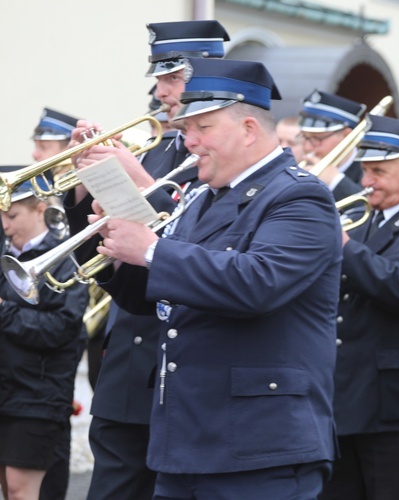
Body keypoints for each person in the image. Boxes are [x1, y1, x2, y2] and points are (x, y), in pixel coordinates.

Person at [90, 56, 340, 499]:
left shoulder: (300, 196)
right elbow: (155, 298)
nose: (188, 143)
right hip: (184, 442)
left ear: (247, 129)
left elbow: (256, 283)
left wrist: (150, 248)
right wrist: (118, 249)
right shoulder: (201, 198)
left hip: (260, 449)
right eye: (186, 130)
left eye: (201, 128)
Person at [64, 20, 230, 500]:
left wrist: (141, 185)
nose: (160, 91)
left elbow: (201, 246)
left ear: (209, 74)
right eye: (159, 79)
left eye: (172, 78)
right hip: (129, 371)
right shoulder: (154, 152)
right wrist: (83, 188)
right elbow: (102, 252)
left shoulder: (226, 162)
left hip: (183, 369)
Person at [320, 115, 399, 500]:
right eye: (365, 170)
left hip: (397, 403)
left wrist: (343, 246)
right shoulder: (359, 221)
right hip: (344, 394)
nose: (367, 180)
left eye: (379, 171)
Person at [0, 178, 88, 500]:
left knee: (23, 490)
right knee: (9, 490)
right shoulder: (3, 253)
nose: (5, 226)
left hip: (38, 394)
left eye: (12, 216)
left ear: (39, 209)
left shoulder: (63, 259)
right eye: (2, 217)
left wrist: (4, 312)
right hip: (6, 389)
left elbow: (62, 327)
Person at [297, 89, 366, 201]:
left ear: (346, 136)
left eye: (317, 138)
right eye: (304, 137)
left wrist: (336, 181)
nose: (307, 147)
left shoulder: (368, 170)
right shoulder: (297, 166)